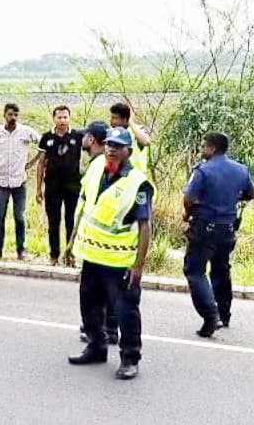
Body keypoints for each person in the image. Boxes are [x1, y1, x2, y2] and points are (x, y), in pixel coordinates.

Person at [65, 127, 153, 380]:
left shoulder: (137, 183)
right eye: (109, 145)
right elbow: (84, 207)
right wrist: (71, 243)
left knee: (125, 312)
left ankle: (130, 358)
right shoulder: (95, 169)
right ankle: (96, 347)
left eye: (118, 146)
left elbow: (145, 226)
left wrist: (138, 265)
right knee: (89, 306)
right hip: (92, 256)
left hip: (120, 262)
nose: (111, 150)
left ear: (128, 151)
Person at [183, 132, 254, 337]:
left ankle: (210, 316)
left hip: (204, 228)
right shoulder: (241, 170)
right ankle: (224, 314)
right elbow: (251, 194)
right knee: (221, 269)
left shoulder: (203, 171)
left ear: (212, 149)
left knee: (195, 271)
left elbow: (189, 199)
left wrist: (187, 215)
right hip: (228, 229)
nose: (201, 149)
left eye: (203, 146)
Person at [71, 121, 118, 345]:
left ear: (91, 139)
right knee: (107, 291)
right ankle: (107, 331)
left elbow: (85, 206)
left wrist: (71, 241)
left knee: (95, 293)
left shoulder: (99, 167)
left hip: (100, 244)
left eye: (85, 136)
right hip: (105, 245)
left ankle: (98, 333)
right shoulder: (102, 165)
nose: (82, 140)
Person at [0, 103, 40, 260]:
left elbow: (43, 144)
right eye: (10, 114)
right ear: (4, 115)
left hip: (19, 182)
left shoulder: (25, 132)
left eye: (15, 115)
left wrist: (32, 162)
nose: (13, 118)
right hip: (1, 183)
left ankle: (21, 251)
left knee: (19, 217)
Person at [36, 106, 84, 265]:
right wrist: (38, 188)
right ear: (54, 119)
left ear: (69, 118)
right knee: (53, 222)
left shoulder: (77, 136)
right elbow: (41, 163)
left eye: (65, 117)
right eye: (59, 117)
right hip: (52, 186)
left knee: (71, 221)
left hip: (73, 186)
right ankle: (54, 255)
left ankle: (70, 255)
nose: (62, 120)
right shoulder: (46, 137)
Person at [109, 102, 151, 173]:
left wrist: (131, 122)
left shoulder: (137, 130)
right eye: (111, 118)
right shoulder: (111, 133)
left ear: (125, 119)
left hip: (135, 175)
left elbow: (146, 142)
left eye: (115, 118)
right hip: (116, 174)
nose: (111, 121)